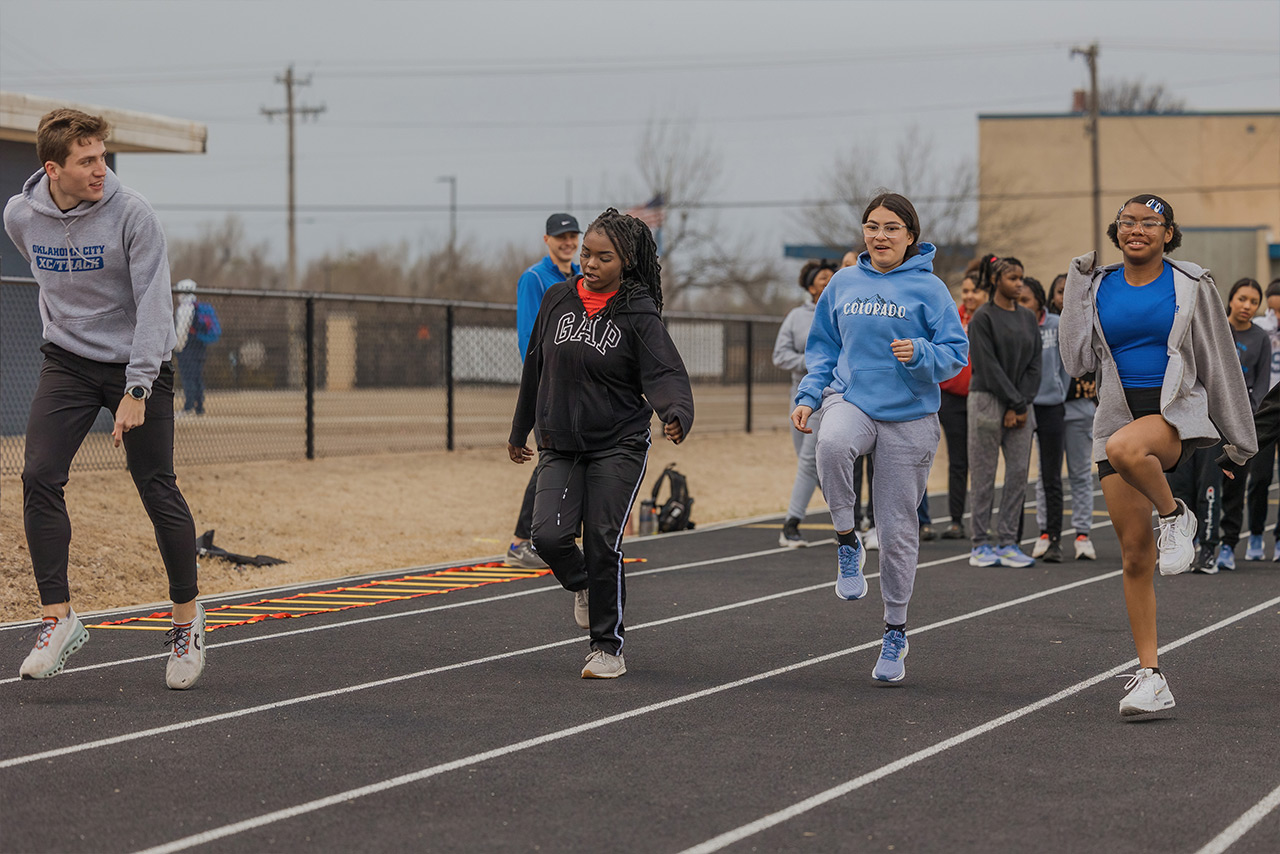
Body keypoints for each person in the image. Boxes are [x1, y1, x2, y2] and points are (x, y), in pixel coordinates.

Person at [3, 109, 205, 688]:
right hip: (66, 359)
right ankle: (57, 618)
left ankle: (187, 623)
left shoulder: (132, 213)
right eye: (86, 160)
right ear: (53, 169)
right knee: (39, 475)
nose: (100, 169)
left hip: (136, 363)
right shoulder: (22, 216)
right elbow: (51, 277)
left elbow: (154, 305)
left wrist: (138, 386)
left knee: (155, 485)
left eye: (102, 157)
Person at [1060, 193, 1256, 718]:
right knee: (1134, 555)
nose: (1137, 230)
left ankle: (1176, 513)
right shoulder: (1099, 285)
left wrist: (1241, 439)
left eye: (1150, 222)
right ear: (1115, 231)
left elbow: (1219, 362)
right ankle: (1152, 676)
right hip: (1114, 414)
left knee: (1131, 448)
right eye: (1128, 222)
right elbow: (1077, 359)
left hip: (1173, 412)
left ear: (1169, 232)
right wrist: (1076, 285)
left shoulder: (1191, 284)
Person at [508, 208, 693, 679]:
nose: (589, 263)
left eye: (602, 257)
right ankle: (586, 585)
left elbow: (664, 370)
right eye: (586, 254)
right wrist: (519, 428)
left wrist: (675, 411)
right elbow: (535, 366)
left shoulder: (636, 310)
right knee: (546, 535)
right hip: (561, 443)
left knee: (602, 539)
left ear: (625, 262)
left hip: (619, 442)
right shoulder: (555, 298)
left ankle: (607, 647)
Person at [792, 192, 967, 683]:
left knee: (896, 533)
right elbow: (823, 347)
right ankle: (847, 540)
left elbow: (956, 353)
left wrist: (922, 354)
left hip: (910, 417)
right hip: (853, 399)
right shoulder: (845, 282)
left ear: (910, 235)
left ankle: (895, 632)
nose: (880, 235)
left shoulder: (930, 289)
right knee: (830, 442)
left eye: (892, 228)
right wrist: (809, 396)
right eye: (872, 226)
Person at [505, 213, 582, 571]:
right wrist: (539, 380)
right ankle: (520, 543)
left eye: (572, 236)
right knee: (553, 458)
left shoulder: (583, 275)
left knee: (575, 457)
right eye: (560, 236)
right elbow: (528, 336)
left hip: (580, 387)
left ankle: (560, 537)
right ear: (547, 240)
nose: (567, 242)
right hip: (549, 386)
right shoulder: (534, 278)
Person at [966, 255, 1040, 568]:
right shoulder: (982, 317)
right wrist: (1014, 402)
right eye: (1013, 278)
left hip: (1021, 404)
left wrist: (1020, 403)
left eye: (1021, 278)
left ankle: (1008, 542)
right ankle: (980, 543)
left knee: (1018, 475)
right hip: (987, 400)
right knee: (984, 474)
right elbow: (987, 366)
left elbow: (1036, 364)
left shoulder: (1027, 317)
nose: (1019, 283)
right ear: (997, 281)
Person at [773, 260, 835, 547]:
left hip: (829, 397)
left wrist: (824, 368)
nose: (828, 282)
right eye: (823, 278)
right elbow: (780, 355)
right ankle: (849, 517)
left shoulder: (839, 311)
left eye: (832, 278)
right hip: (798, 395)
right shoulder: (796, 317)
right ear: (810, 285)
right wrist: (809, 363)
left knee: (810, 461)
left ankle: (791, 523)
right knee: (812, 465)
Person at [1215, 278, 1271, 569]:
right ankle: (1201, 541)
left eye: (1253, 301)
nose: (1247, 306)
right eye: (1242, 299)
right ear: (1231, 299)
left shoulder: (1261, 338)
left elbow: (1261, 385)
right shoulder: (1216, 328)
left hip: (1242, 422)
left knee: (1236, 487)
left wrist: (1251, 422)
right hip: (1211, 422)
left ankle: (1228, 544)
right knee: (1205, 485)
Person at [1017, 276, 1071, 563]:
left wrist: (1058, 391)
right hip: (1023, 406)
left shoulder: (1055, 324)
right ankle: (1011, 539)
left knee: (1051, 476)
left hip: (1052, 407)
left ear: (1039, 300)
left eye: (1026, 300)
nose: (1021, 305)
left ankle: (1053, 539)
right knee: (1017, 475)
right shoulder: (1015, 325)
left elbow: (1065, 366)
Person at [937, 261, 988, 540]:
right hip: (952, 399)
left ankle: (983, 519)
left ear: (986, 293)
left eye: (975, 291)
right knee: (957, 461)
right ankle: (956, 520)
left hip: (983, 399)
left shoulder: (991, 319)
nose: (969, 296)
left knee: (982, 461)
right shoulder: (953, 318)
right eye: (965, 291)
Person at [1246, 278, 1280, 559]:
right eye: (1273, 310)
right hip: (1264, 411)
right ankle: (1255, 533)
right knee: (1259, 477)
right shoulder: (1259, 328)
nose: (1276, 316)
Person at [173, 278, 215, 417]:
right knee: (197, 377)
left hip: (187, 348)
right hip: (200, 347)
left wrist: (177, 348)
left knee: (188, 377)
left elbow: (182, 332)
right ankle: (199, 406)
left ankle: (189, 406)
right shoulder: (197, 307)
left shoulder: (185, 309)